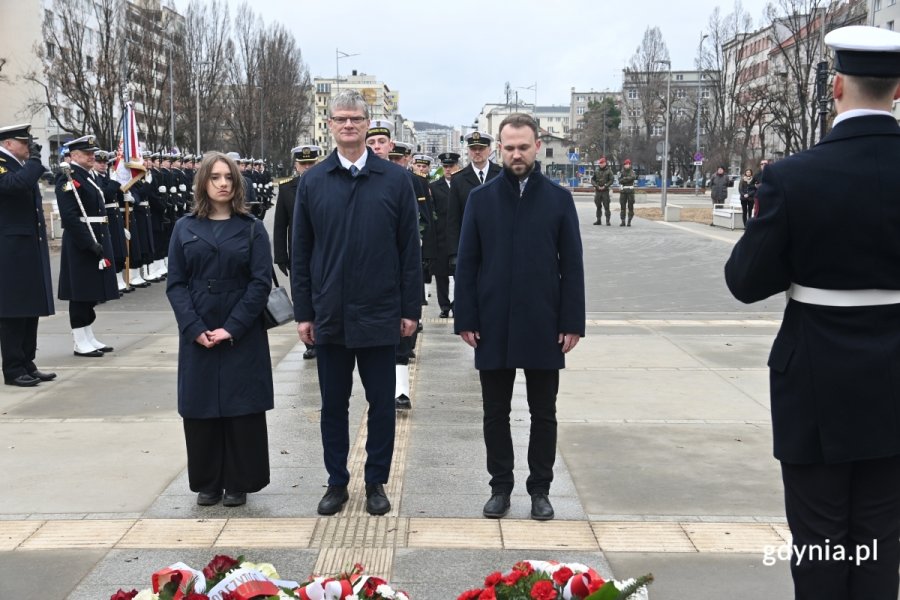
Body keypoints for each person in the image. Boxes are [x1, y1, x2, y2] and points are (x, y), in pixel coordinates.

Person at [724, 25, 900, 600]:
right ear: (896, 92)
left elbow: (745, 282)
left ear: (837, 88)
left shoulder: (792, 177)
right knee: (880, 544)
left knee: (821, 544)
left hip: (817, 380)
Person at [291, 90, 422, 516]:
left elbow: (409, 252)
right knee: (333, 404)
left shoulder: (395, 180)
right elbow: (301, 253)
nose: (348, 125)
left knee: (382, 403)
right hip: (330, 314)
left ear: (368, 124)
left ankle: (375, 481)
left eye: (356, 119)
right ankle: (336, 481)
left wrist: (410, 311)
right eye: (340, 118)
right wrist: (304, 312)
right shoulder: (313, 182)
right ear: (329, 124)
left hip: (381, 312)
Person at [454, 113, 585, 521]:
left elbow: (573, 265)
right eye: (508, 147)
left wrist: (571, 322)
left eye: (523, 147)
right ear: (498, 147)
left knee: (544, 412)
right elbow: (468, 263)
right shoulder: (481, 199)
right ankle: (500, 487)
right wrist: (466, 318)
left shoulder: (559, 199)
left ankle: (541, 490)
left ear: (537, 145)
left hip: (544, 324)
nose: (515, 154)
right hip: (492, 323)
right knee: (495, 412)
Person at [166, 152, 274, 508]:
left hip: (240, 325)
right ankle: (208, 481)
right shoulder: (185, 227)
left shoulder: (251, 227)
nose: (223, 183)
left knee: (240, 405)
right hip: (198, 324)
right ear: (203, 182)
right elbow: (176, 283)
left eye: (229, 177)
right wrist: (194, 327)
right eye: (215, 177)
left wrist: (233, 327)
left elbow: (260, 282)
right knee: (201, 407)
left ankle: (239, 481)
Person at [0, 124, 56, 387]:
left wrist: (31, 162)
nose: (29, 147)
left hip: (25, 246)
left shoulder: (19, 166)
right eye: (25, 143)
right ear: (8, 143)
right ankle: (12, 368)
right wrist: (35, 161)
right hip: (9, 250)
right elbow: (16, 186)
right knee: (13, 310)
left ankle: (27, 362)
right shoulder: (2, 164)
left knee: (29, 307)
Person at [56, 135, 119, 357]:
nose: (92, 156)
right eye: (87, 153)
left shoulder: (87, 175)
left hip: (97, 236)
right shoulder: (68, 177)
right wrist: (89, 243)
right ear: (73, 156)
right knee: (81, 293)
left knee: (92, 291)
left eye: (93, 152)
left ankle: (88, 335)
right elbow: (71, 217)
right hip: (81, 243)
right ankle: (79, 340)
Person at [273, 144, 321, 360]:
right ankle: (309, 344)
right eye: (304, 164)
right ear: (296, 165)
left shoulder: (326, 184)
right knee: (302, 296)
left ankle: (322, 338)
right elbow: (280, 225)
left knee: (321, 296)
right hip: (299, 254)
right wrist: (281, 255)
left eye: (311, 163)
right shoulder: (286, 189)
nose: (308, 167)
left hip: (323, 252)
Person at [446, 131, 501, 272]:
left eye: (481, 148)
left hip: (498, 244)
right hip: (469, 246)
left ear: (489, 150)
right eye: (473, 149)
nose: (477, 152)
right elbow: (453, 218)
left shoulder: (501, 175)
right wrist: (454, 253)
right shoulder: (458, 179)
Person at [429, 152, 460, 317]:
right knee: (441, 276)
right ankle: (444, 306)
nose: (448, 169)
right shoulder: (434, 187)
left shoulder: (462, 184)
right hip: (440, 237)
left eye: (451, 166)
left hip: (458, 237)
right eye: (446, 166)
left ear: (457, 166)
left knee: (460, 275)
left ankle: (457, 304)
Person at [591, 156, 614, 226]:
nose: (600, 164)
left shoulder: (609, 171)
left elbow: (611, 180)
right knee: (598, 206)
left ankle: (608, 221)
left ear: (605, 163)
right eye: (600, 163)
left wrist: (606, 186)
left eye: (602, 163)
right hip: (598, 191)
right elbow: (592, 180)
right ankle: (598, 220)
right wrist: (596, 186)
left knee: (606, 206)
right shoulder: (596, 170)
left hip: (605, 191)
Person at [618, 159, 636, 226]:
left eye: (628, 164)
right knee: (622, 207)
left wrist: (624, 179)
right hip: (623, 192)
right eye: (625, 164)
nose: (626, 165)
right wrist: (627, 179)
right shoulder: (621, 172)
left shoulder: (632, 172)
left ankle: (629, 221)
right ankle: (623, 221)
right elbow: (619, 180)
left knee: (630, 207)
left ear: (630, 164)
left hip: (630, 192)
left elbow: (633, 177)